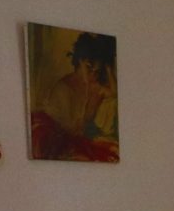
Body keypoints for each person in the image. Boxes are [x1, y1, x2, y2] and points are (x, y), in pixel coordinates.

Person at [30, 33, 118, 162]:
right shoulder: (63, 88)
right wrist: (88, 114)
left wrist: (108, 68)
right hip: (56, 138)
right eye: (88, 67)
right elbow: (69, 129)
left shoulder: (91, 86)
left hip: (76, 137)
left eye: (96, 71)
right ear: (79, 61)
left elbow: (114, 93)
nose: (92, 75)